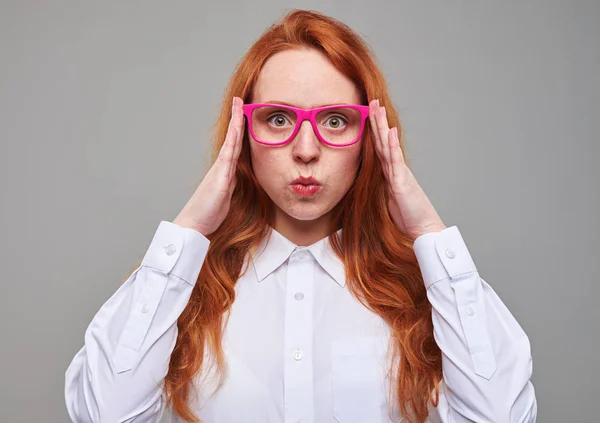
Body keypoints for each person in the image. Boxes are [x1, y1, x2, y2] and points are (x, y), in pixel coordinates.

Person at [64, 9, 537, 423]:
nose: (306, 150)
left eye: (335, 121)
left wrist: (430, 235)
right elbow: (104, 414)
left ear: (369, 137)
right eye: (278, 119)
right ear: (243, 134)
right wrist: (188, 231)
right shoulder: (190, 290)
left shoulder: (420, 293)